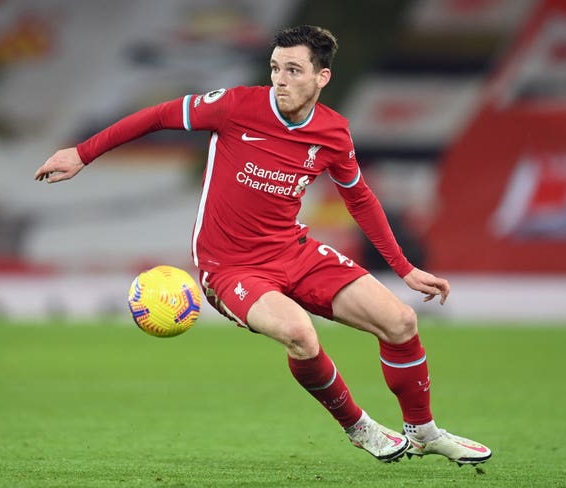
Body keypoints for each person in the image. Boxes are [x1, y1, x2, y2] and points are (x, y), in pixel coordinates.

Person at [35, 25, 491, 465]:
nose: (280, 80)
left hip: (294, 251)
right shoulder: (235, 106)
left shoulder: (333, 132)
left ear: (321, 77)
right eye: (275, 68)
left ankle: (424, 433)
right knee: (299, 335)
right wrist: (82, 153)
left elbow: (360, 198)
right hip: (230, 267)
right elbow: (157, 116)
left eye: (293, 70)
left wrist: (404, 268)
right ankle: (358, 426)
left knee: (401, 321)